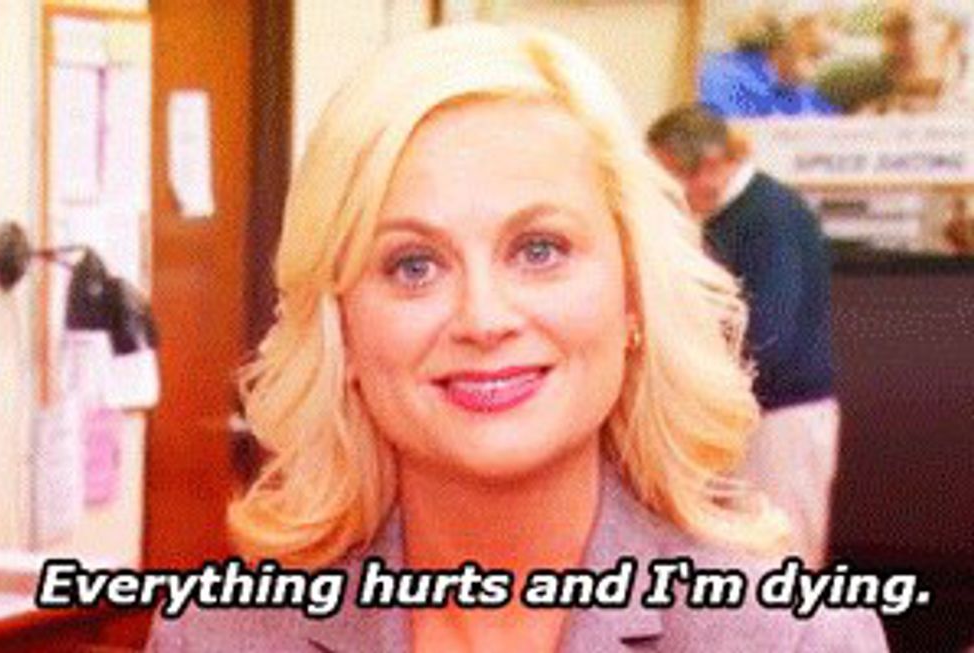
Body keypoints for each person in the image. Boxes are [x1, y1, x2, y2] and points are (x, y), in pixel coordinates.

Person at [147, 24, 886, 652]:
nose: (483, 318)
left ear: (633, 292)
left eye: (539, 249)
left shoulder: (791, 638)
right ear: (341, 325)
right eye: (413, 265)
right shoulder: (218, 634)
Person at [647, 104, 839, 570]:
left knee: (781, 560)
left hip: (781, 418)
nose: (666, 195)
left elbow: (769, 335)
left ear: (711, 165)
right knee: (734, 560)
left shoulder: (771, 216)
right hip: (743, 414)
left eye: (671, 179)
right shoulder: (729, 216)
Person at [699, 10, 838, 117]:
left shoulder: (803, 93)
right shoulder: (721, 78)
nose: (831, 39)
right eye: (827, 21)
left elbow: (834, 132)